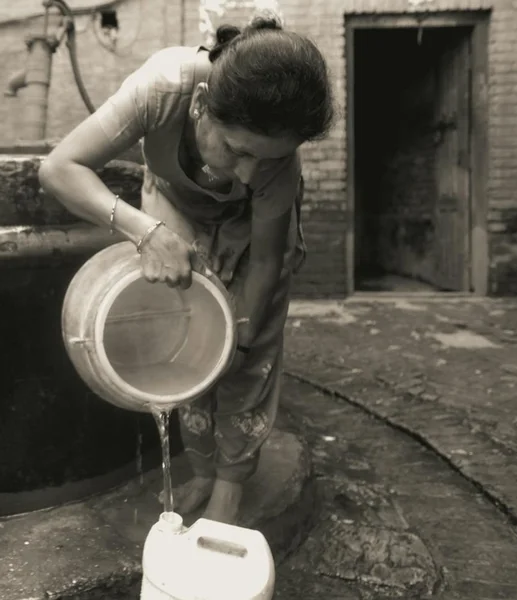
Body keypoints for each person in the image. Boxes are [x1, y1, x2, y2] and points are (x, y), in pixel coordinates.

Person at [38, 13, 334, 524]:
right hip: (173, 210)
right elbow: (59, 168)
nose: (248, 173)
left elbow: (266, 258)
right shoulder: (164, 89)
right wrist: (145, 232)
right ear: (200, 107)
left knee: (245, 351)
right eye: (238, 151)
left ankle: (231, 486)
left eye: (267, 161)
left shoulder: (274, 162)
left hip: (250, 234)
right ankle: (200, 468)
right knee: (186, 339)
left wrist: (240, 337)